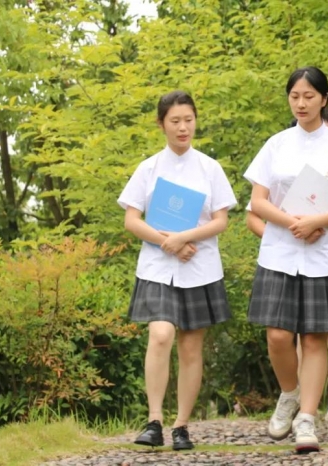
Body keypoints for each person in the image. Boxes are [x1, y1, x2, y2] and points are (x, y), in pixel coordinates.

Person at [243, 66, 328, 453]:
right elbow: (258, 201)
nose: (301, 103)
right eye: (295, 96)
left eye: (309, 96)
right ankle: (289, 394)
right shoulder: (276, 144)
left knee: (315, 337)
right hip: (280, 251)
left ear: (324, 99)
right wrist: (293, 223)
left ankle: (307, 419)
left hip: (325, 253)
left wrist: (318, 222)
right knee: (278, 335)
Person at [117, 90, 237, 449]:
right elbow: (131, 219)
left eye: (188, 120)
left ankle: (181, 425)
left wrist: (185, 238)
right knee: (160, 335)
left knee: (191, 347)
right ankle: (154, 420)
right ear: (161, 124)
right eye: (175, 121)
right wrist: (166, 242)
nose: (183, 127)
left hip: (200, 267)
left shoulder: (210, 168)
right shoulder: (148, 168)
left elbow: (221, 221)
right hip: (157, 266)